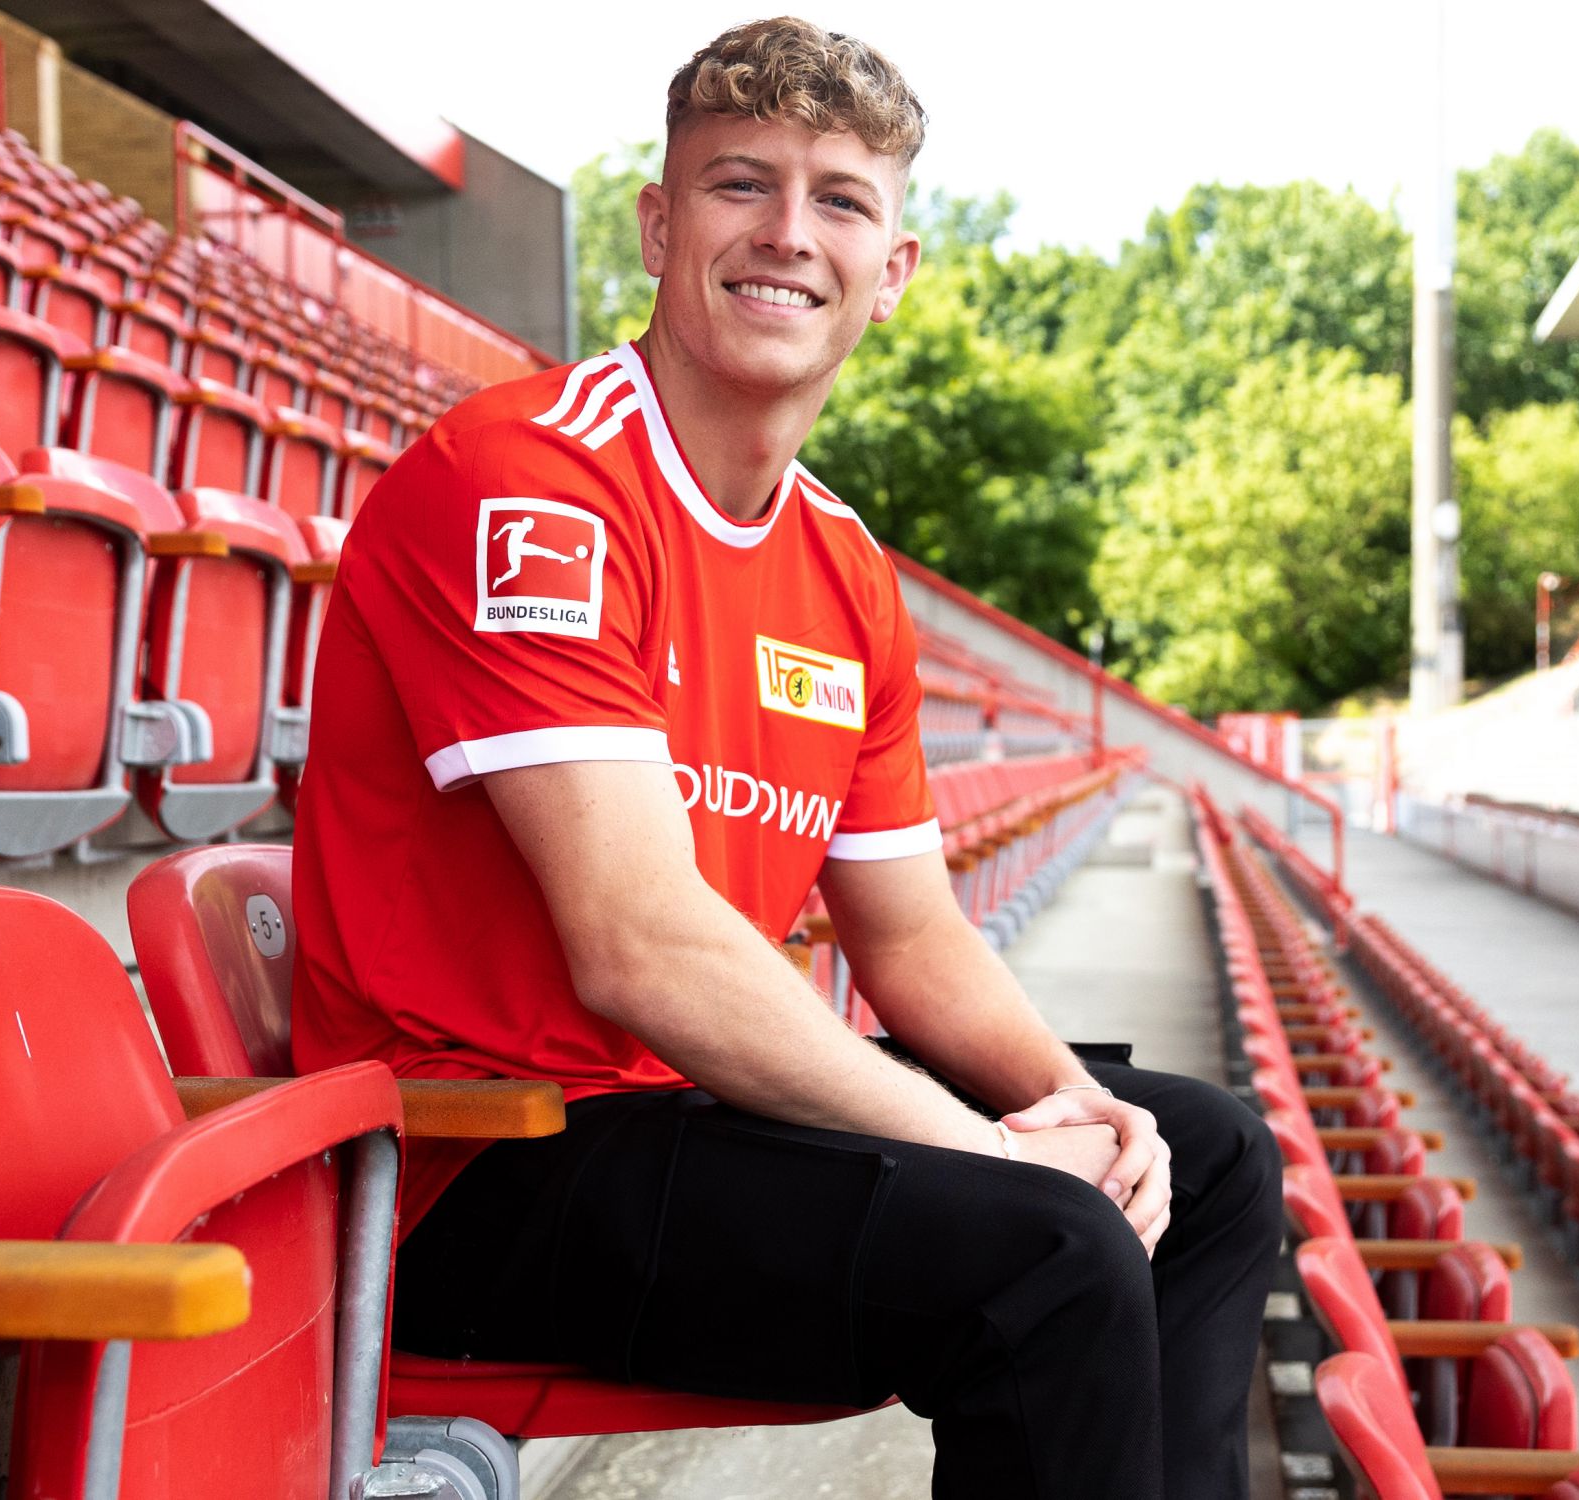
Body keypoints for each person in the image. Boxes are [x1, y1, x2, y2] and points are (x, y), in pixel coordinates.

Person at [289, 18, 1282, 1499]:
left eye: (839, 199)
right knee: (1046, 1248)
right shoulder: (528, 484)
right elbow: (642, 950)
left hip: (681, 1121)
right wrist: (993, 1156)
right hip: (467, 1168)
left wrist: (1084, 1112)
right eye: (739, 183)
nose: (786, 235)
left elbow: (915, 936)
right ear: (659, 223)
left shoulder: (841, 565)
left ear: (894, 272)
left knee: (1195, 1156)